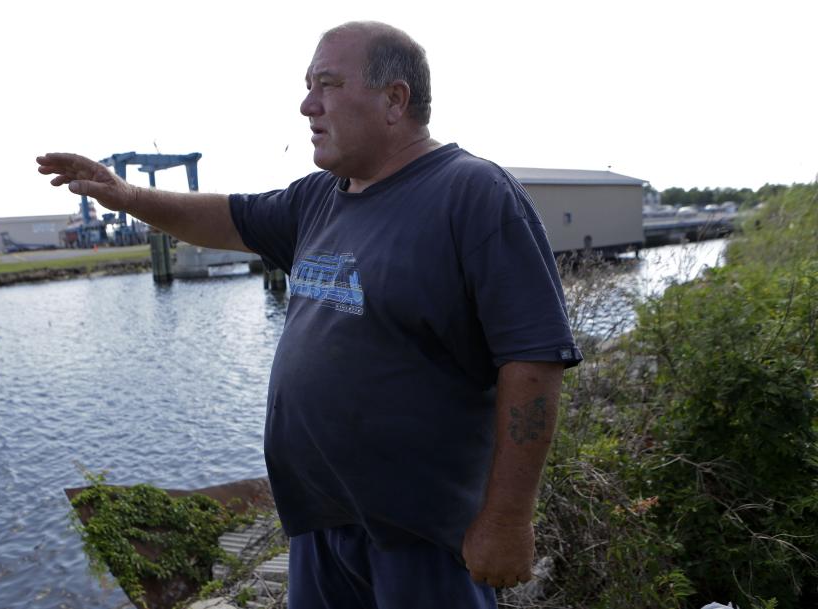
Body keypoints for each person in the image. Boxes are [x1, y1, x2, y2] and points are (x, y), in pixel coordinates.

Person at [38, 21, 581, 609]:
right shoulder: (321, 195)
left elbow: (533, 360)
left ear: (394, 99)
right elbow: (226, 218)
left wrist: (507, 519)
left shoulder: (472, 192)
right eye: (307, 85)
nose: (307, 105)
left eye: (327, 84)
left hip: (421, 540)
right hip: (319, 526)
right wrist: (131, 198)